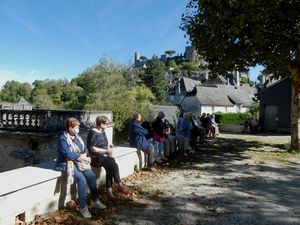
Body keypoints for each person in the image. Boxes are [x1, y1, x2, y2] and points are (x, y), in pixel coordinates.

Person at [55, 117, 106, 219]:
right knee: (81, 179)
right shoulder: (63, 139)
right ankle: (83, 207)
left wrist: (87, 156)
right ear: (70, 128)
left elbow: (84, 148)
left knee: (91, 176)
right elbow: (67, 153)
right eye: (76, 127)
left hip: (79, 161)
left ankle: (95, 200)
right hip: (67, 162)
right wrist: (80, 157)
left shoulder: (77, 136)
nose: (78, 128)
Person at [87, 115, 130, 200]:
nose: (107, 125)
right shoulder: (92, 132)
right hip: (95, 158)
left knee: (110, 166)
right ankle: (119, 184)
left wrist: (109, 147)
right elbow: (93, 148)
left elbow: (104, 145)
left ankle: (110, 192)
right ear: (100, 124)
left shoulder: (102, 131)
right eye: (106, 123)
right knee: (113, 164)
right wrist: (106, 151)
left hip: (104, 156)